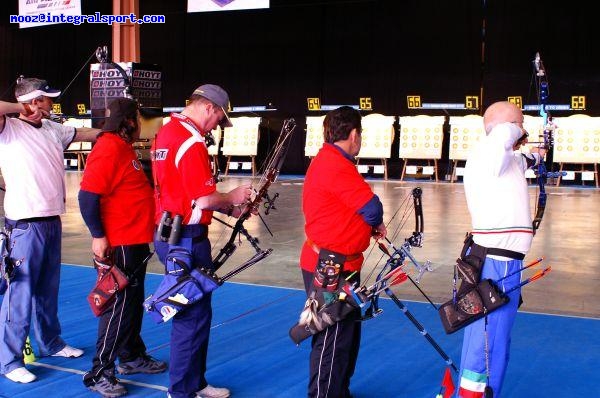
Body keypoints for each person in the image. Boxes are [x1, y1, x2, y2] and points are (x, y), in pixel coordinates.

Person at [151, 84, 252, 398]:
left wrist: (228, 206)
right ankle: (181, 391)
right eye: (219, 119)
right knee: (190, 315)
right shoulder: (191, 142)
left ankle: (194, 383)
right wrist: (232, 197)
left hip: (170, 234)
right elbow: (205, 199)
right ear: (209, 107)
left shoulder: (167, 133)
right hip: (186, 240)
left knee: (197, 312)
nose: (216, 127)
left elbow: (187, 194)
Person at [0, 77, 100, 383]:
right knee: (20, 293)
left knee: (47, 289)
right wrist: (22, 107)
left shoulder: (53, 128)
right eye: (44, 99)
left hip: (51, 220)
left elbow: (87, 132)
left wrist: (115, 131)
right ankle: (9, 360)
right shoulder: (8, 129)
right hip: (24, 225)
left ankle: (52, 343)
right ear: (31, 102)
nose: (50, 104)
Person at [78, 97, 167, 397]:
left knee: (131, 304)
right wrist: (98, 235)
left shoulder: (122, 147)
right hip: (119, 242)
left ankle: (130, 356)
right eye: (139, 118)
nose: (141, 124)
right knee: (117, 307)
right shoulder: (108, 147)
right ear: (129, 121)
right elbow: (88, 196)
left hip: (134, 241)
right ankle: (100, 371)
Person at [457, 101, 545, 397]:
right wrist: (516, 125)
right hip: (495, 264)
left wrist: (538, 152)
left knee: (496, 345)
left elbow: (524, 160)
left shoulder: (502, 159)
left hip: (505, 265)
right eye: (519, 123)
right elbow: (501, 130)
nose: (522, 130)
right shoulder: (488, 151)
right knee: (486, 346)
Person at [299, 105, 387, 398]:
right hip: (330, 267)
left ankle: (337, 391)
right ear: (353, 134)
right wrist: (373, 222)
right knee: (331, 335)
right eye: (359, 134)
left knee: (345, 332)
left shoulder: (332, 160)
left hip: (340, 264)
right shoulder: (335, 164)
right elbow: (372, 208)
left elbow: (351, 207)